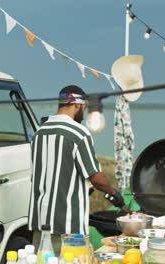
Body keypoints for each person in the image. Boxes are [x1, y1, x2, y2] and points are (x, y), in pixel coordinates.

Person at [28, 85, 128, 255]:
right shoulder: (78, 132)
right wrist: (115, 195)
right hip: (68, 225)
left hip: (40, 220)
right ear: (77, 104)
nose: (84, 112)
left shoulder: (39, 132)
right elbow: (96, 178)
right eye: (85, 108)